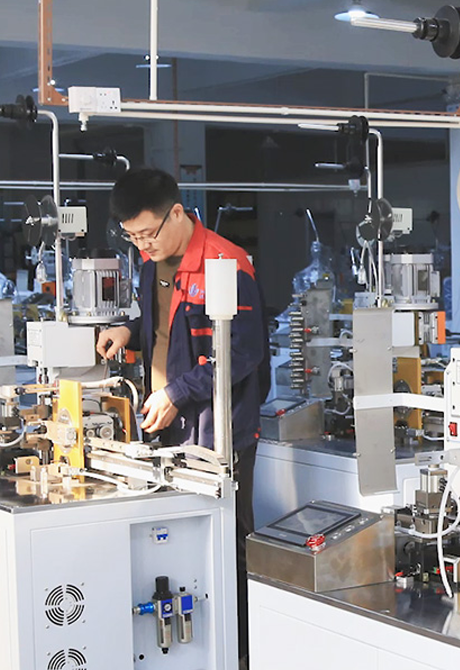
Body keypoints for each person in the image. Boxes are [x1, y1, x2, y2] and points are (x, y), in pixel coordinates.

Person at [95, 168, 268, 661]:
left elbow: (244, 352)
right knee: (180, 542)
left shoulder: (225, 263)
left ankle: (241, 650)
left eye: (148, 233)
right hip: (171, 427)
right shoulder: (152, 265)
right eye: (132, 237)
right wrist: (128, 330)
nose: (142, 244)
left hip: (218, 431)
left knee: (230, 542)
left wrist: (176, 393)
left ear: (176, 213)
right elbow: (162, 328)